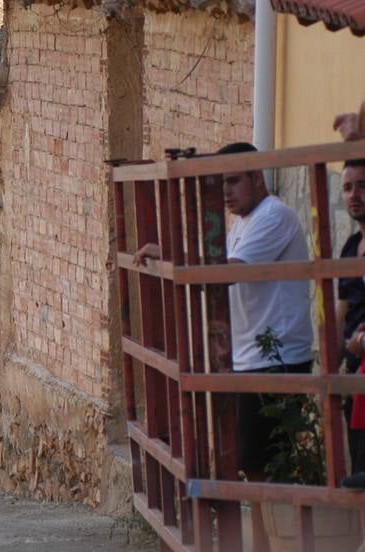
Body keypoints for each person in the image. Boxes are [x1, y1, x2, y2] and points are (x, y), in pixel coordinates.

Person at [136, 142, 314, 482]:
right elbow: (219, 266)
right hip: (251, 359)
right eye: (220, 184)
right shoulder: (241, 225)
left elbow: (224, 275)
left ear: (257, 178)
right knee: (252, 463)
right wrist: (170, 253)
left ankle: (271, 537)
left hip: (276, 359)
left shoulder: (274, 216)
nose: (226, 192)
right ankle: (264, 534)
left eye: (233, 181)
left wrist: (175, 257)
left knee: (263, 464)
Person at [336, 160, 365, 481]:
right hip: (354, 376)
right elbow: (341, 310)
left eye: (362, 186)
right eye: (347, 187)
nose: (354, 195)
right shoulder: (349, 247)